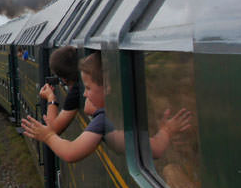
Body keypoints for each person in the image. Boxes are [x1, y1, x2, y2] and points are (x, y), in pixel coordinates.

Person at [21, 51, 192, 163]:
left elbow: (71, 152)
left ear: (108, 88)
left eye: (88, 88)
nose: (84, 94)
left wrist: (48, 136)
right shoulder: (116, 110)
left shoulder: (103, 121)